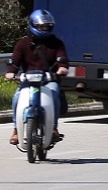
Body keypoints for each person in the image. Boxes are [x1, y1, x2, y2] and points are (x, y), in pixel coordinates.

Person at [7, 9, 68, 145]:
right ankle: (16, 129)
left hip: (48, 80)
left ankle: (53, 128)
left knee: (54, 93)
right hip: (28, 81)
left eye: (46, 26)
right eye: (41, 26)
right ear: (33, 25)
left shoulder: (56, 43)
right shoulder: (23, 43)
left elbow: (62, 59)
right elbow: (15, 61)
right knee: (17, 97)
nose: (44, 29)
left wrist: (62, 68)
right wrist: (11, 72)